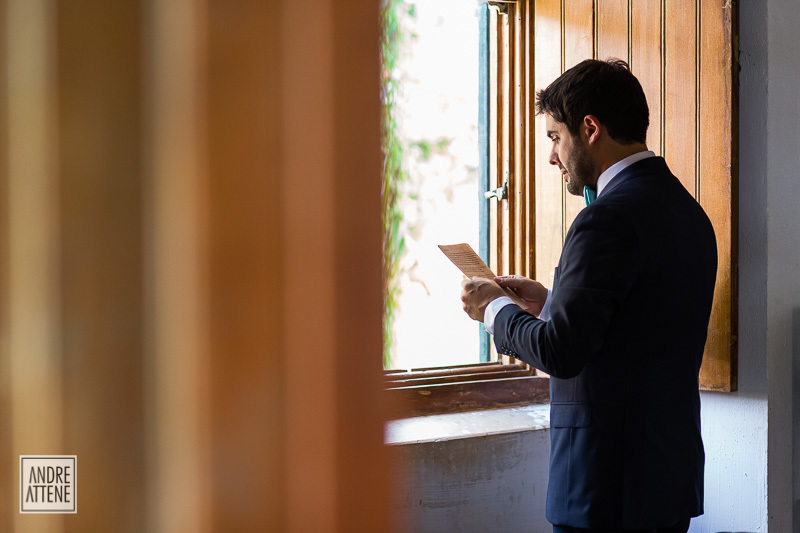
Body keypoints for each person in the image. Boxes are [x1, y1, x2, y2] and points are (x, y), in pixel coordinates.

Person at [459, 59, 718, 533]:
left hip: (604, 484)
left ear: (590, 128)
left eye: (556, 137)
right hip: (665, 479)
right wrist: (551, 299)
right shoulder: (688, 211)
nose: (552, 157)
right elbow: (639, 317)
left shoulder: (606, 218)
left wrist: (493, 310)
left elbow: (561, 351)